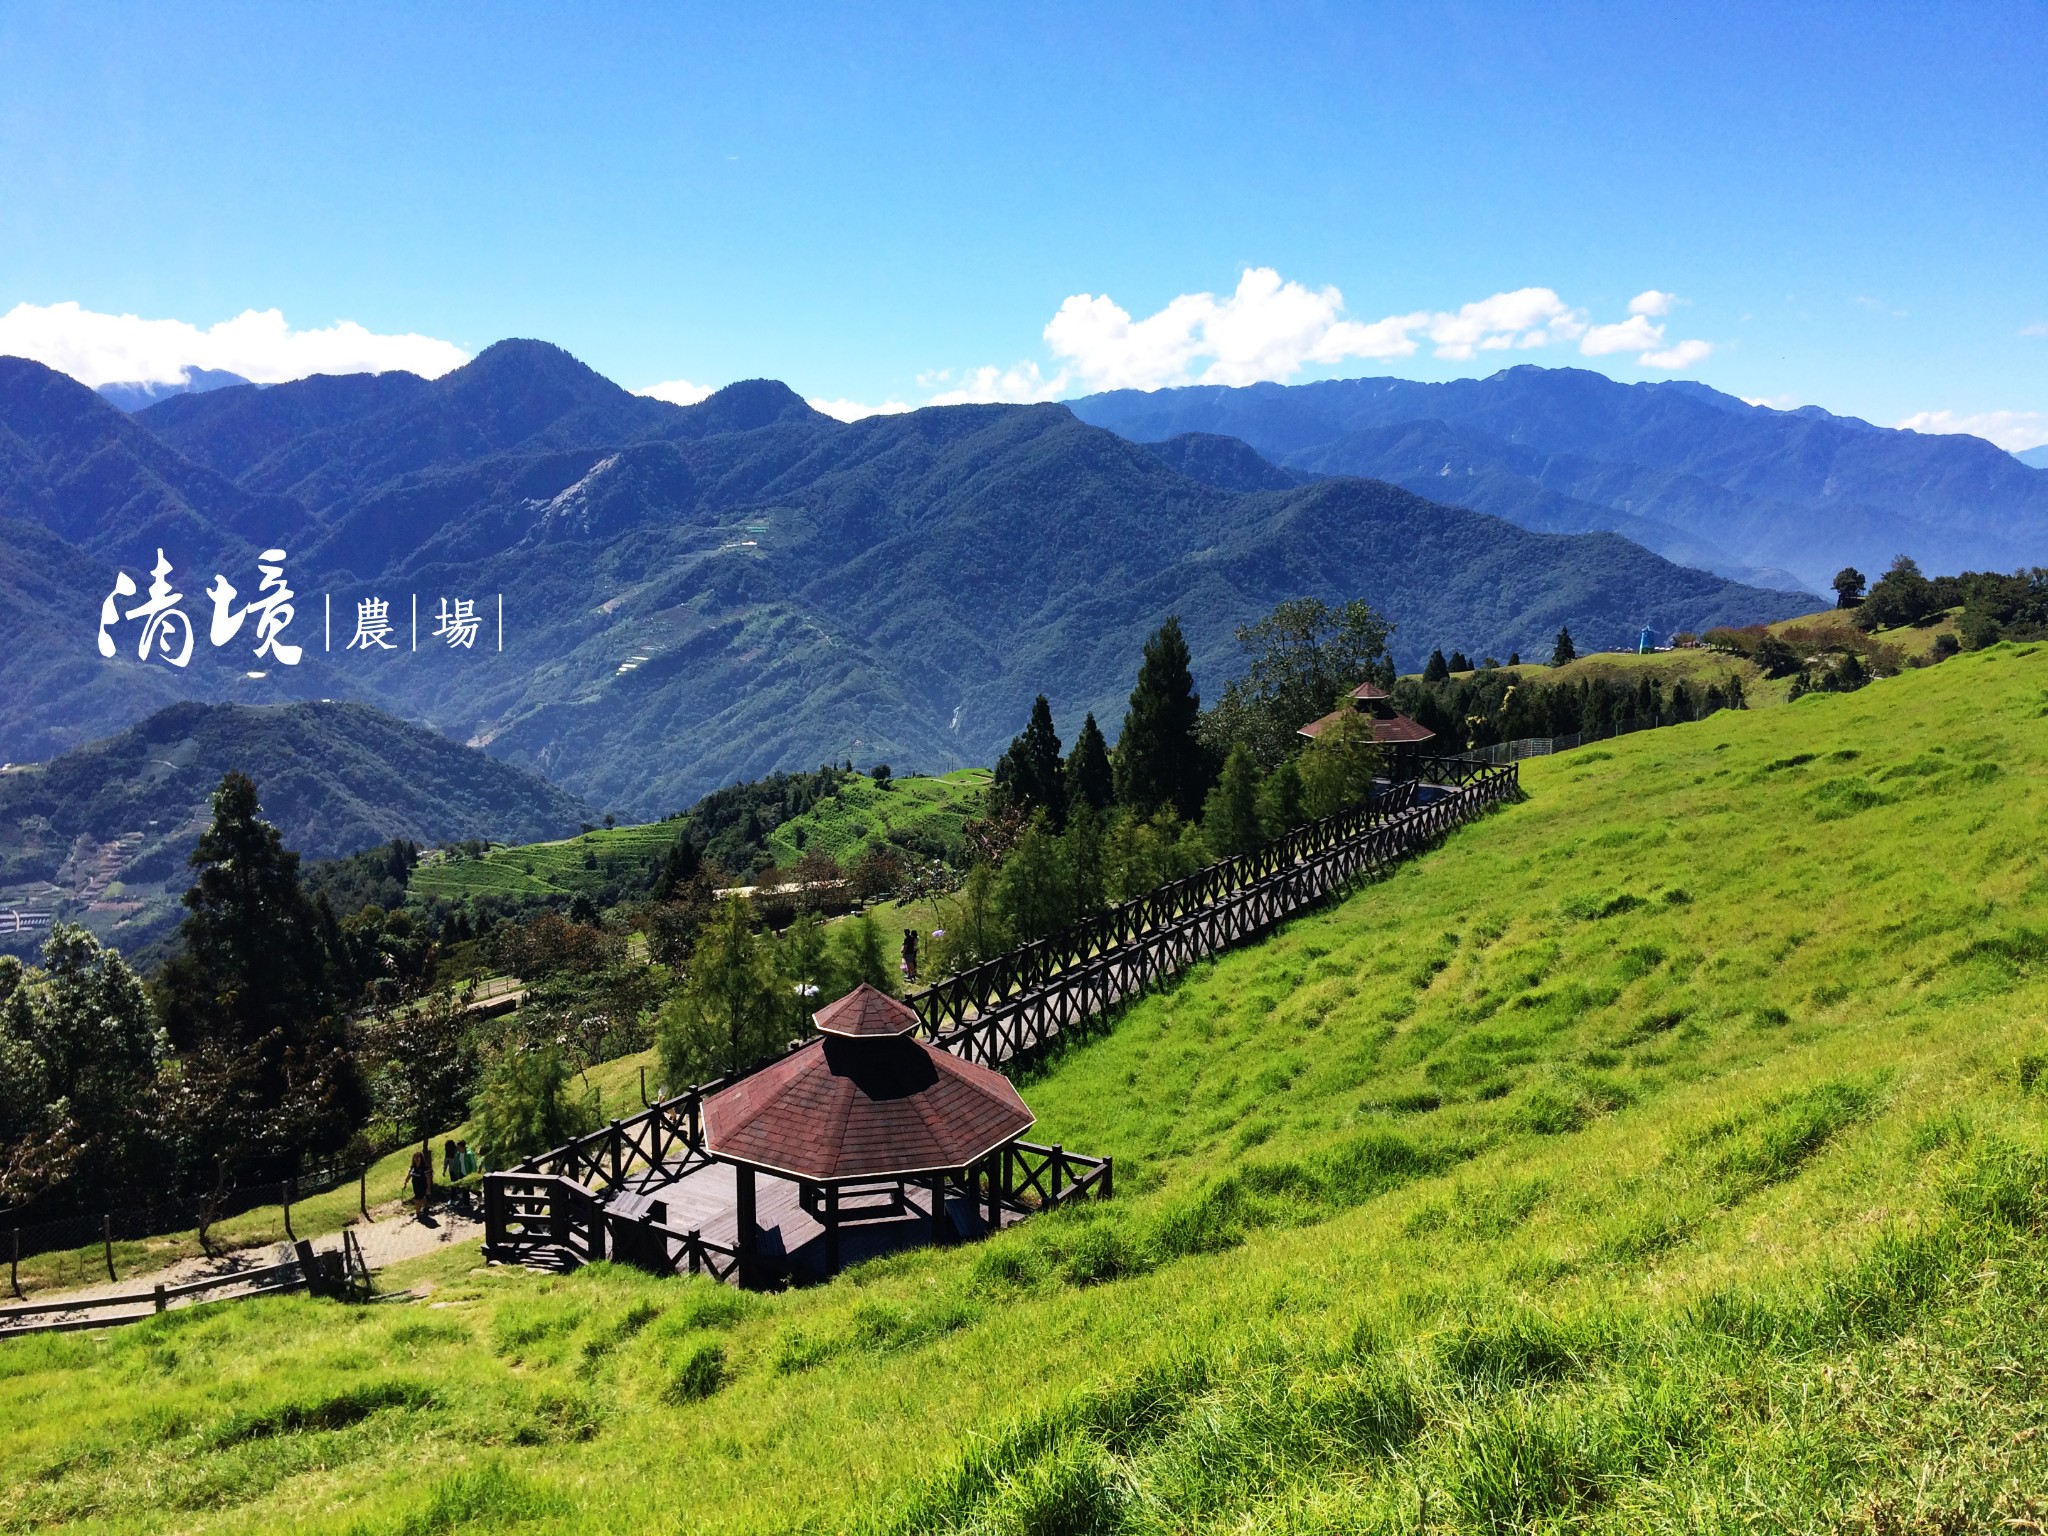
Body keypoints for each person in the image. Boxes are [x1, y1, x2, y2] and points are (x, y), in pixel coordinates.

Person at [406, 1146, 433, 1218]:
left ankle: (417, 1213)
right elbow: (409, 1175)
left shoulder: (425, 1167)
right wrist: (405, 1182)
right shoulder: (412, 1167)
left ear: (421, 1158)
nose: (416, 1159)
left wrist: (428, 1188)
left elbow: (428, 1178)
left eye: (418, 1157)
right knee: (421, 1197)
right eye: (415, 1157)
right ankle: (426, 1206)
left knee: (417, 1199)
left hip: (422, 1186)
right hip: (415, 1186)